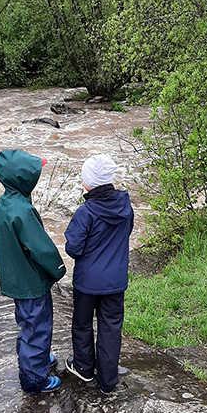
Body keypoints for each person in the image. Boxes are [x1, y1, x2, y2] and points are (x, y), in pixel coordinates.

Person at [0, 148, 66, 393]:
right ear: (23, 179)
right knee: (37, 326)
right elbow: (40, 247)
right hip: (31, 280)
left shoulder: (7, 201)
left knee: (29, 322)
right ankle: (34, 378)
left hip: (17, 277)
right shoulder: (22, 210)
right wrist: (58, 268)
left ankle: (37, 360)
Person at [64, 154, 134, 393]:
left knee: (82, 324)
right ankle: (108, 381)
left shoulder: (86, 213)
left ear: (88, 183)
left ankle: (84, 369)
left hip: (87, 283)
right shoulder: (125, 206)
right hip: (115, 281)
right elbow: (127, 233)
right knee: (111, 327)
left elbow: (73, 248)